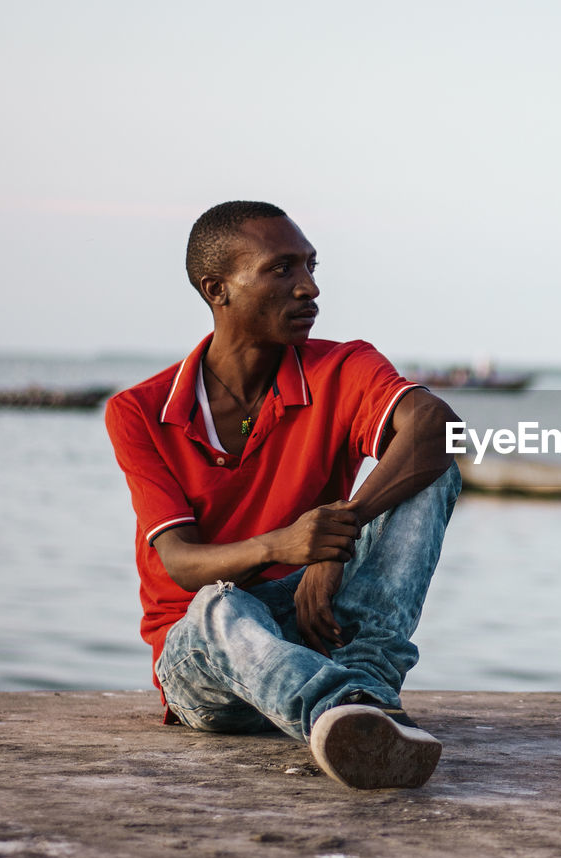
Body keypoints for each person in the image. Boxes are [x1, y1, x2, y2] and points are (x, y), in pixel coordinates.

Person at [105, 200, 461, 790]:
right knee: (219, 606)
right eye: (282, 269)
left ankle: (366, 695)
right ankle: (347, 709)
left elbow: (440, 429)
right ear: (216, 289)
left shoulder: (343, 366)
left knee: (432, 469)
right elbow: (182, 563)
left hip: (317, 624)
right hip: (206, 657)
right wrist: (290, 543)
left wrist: (333, 541)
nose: (309, 288)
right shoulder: (140, 411)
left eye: (311, 267)